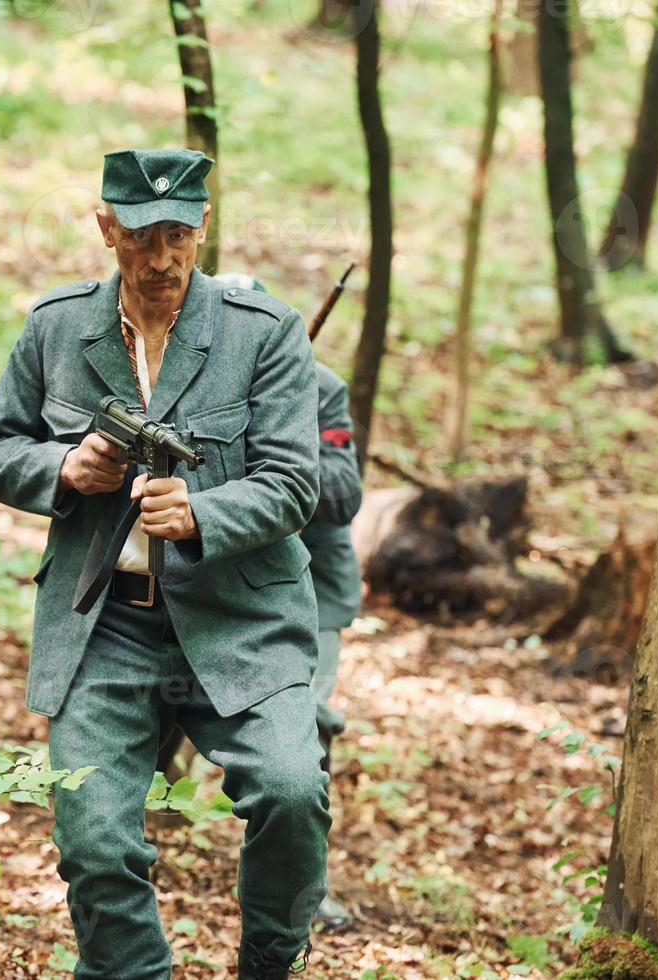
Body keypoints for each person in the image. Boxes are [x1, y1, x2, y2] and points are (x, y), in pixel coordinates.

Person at [0, 148, 330, 979]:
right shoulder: (56, 327)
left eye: (177, 235)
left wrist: (202, 514)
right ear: (106, 230)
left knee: (290, 792)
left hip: (243, 617)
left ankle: (271, 962)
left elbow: (295, 483)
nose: (160, 258)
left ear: (202, 230)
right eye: (140, 236)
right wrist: (63, 468)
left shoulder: (261, 332)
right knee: (93, 840)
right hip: (105, 625)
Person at [211, 272, 364, 931]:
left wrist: (276, 444)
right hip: (213, 581)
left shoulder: (320, 386)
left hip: (309, 591)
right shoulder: (194, 384)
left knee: (305, 738)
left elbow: (340, 494)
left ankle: (302, 892)